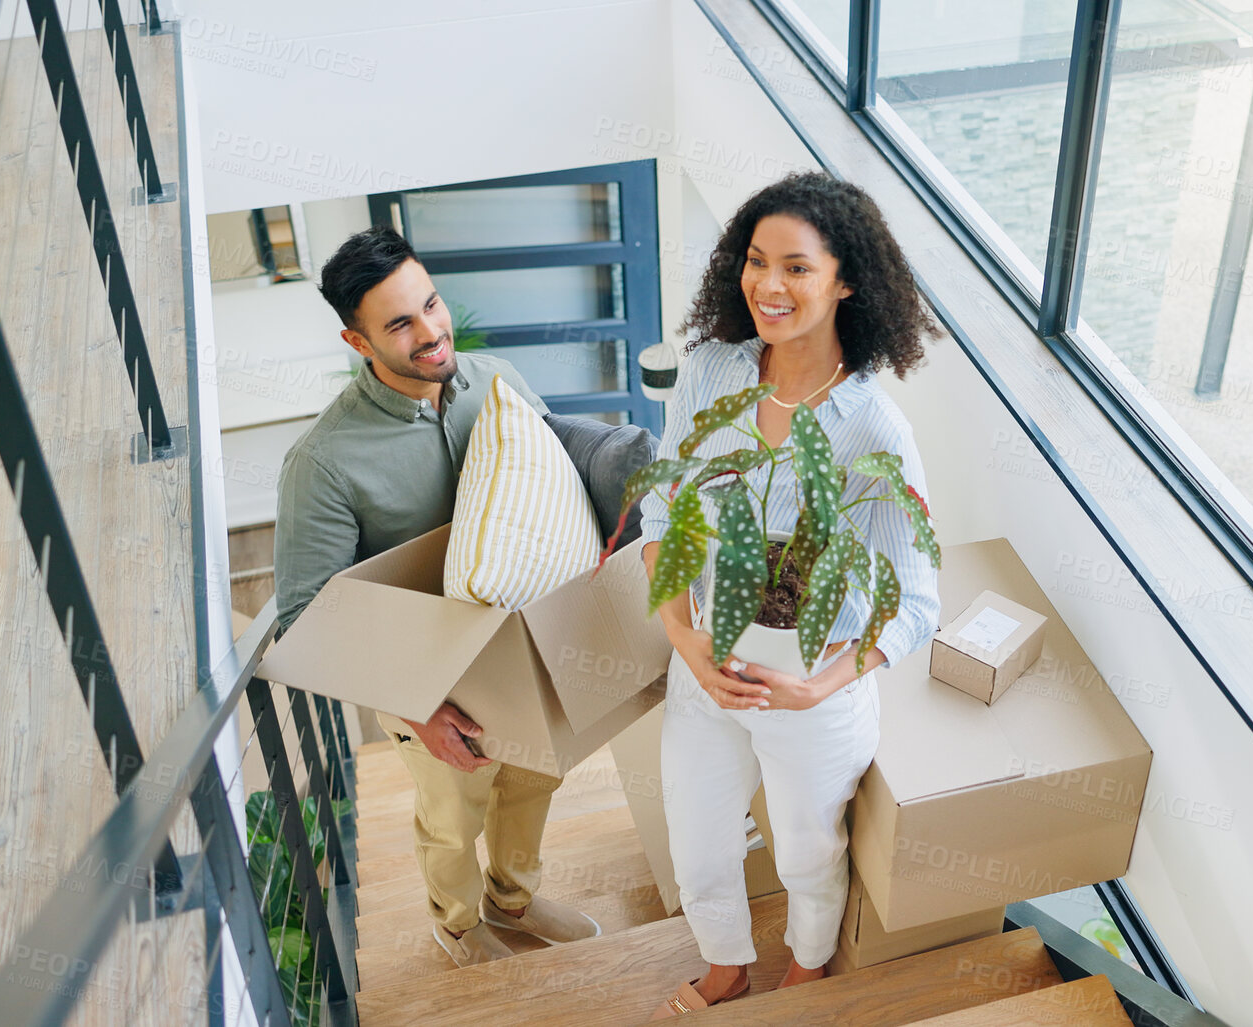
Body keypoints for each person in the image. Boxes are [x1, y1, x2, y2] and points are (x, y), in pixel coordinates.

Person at [641, 173, 943, 1016]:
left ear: (846, 281)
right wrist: (682, 635)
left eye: (796, 269)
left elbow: (917, 600)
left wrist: (820, 683)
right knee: (697, 841)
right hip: (703, 667)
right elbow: (665, 509)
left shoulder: (870, 430)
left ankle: (807, 966)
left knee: (807, 853)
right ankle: (726, 963)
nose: (768, 286)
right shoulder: (709, 371)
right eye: (755, 262)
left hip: (809, 687)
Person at [273, 226, 601, 968]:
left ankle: (511, 899)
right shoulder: (322, 463)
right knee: (454, 815)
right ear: (356, 341)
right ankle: (455, 923)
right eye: (399, 323)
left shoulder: (497, 381)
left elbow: (552, 490)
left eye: (430, 304)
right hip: (422, 676)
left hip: (522, 646)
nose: (430, 332)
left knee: (534, 779)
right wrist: (416, 706)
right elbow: (303, 618)